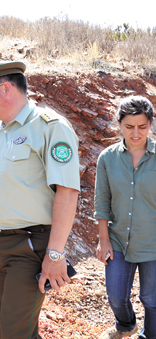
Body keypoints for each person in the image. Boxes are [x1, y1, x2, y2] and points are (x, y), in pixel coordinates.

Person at [0, 61, 81, 339]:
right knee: (14, 327)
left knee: (13, 333)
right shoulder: (1, 132)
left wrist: (55, 254)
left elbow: (67, 192)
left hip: (29, 245)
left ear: (5, 88)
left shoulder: (49, 127)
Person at [95, 95, 156, 339]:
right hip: (118, 240)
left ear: (150, 124)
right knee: (116, 296)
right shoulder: (107, 159)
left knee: (152, 299)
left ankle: (149, 335)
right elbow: (102, 202)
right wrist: (103, 239)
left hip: (153, 242)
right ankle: (126, 324)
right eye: (129, 126)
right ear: (119, 124)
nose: (135, 133)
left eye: (142, 126)